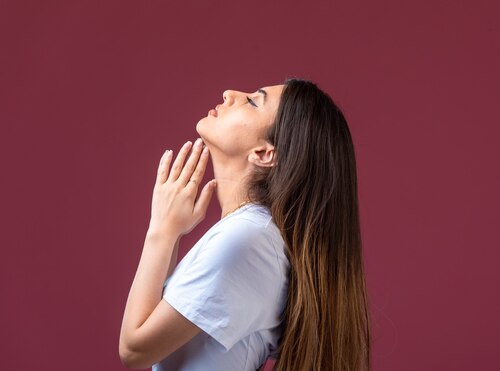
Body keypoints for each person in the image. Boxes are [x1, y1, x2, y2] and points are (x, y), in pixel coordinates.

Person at [119, 78, 371, 371]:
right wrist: (170, 231)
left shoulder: (247, 240)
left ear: (265, 153)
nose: (229, 94)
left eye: (252, 101)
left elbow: (135, 349)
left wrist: (162, 230)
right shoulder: (252, 235)